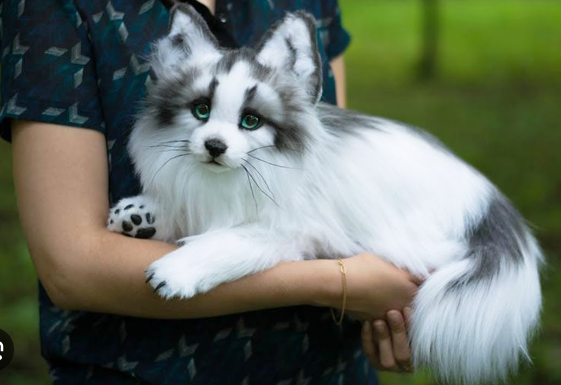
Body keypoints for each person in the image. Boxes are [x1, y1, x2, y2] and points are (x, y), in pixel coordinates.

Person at [1, 1, 420, 383]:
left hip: (331, 368)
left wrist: (391, 314)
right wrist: (339, 284)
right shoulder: (57, 9)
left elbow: (325, 178)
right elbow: (72, 268)